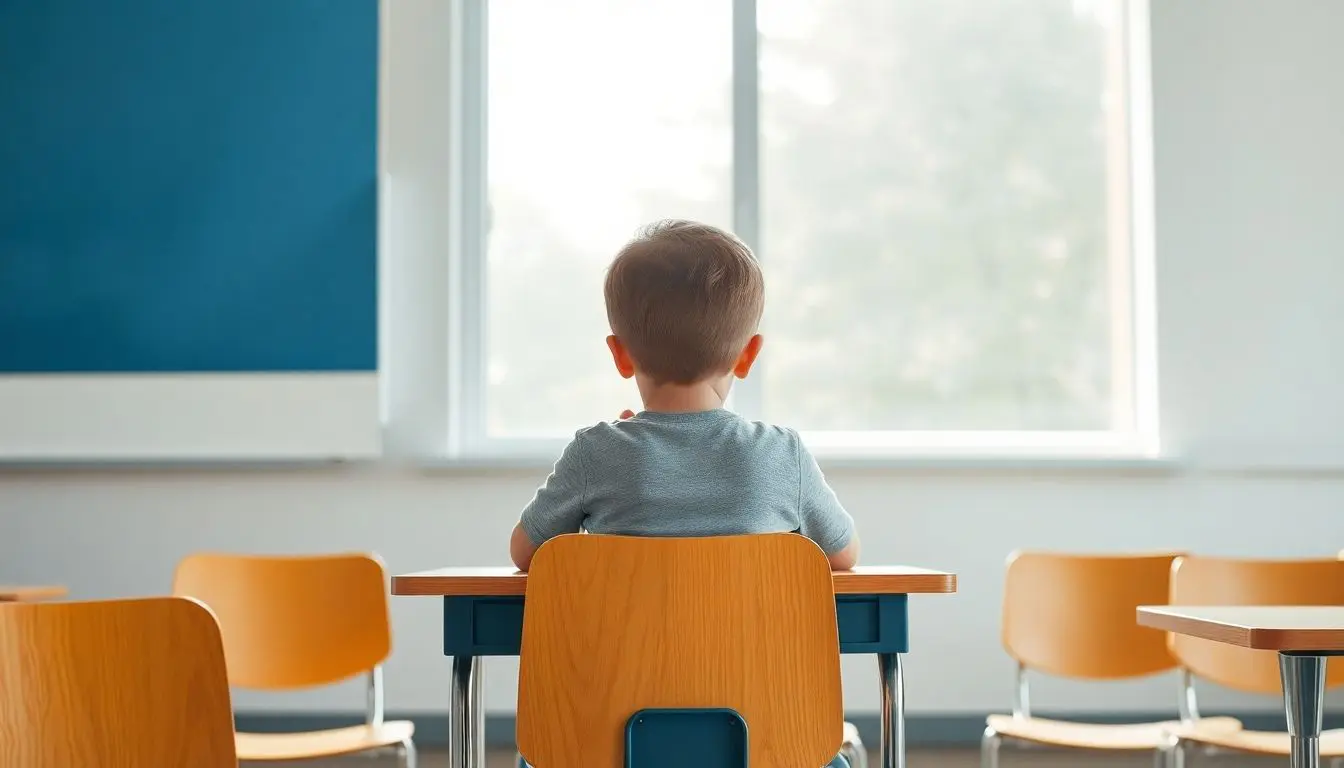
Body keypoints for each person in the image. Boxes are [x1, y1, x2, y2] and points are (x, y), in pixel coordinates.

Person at [508, 219, 859, 574]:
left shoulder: (596, 452)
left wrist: (617, 451)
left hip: (627, 633)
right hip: (746, 632)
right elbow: (844, 556)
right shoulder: (783, 454)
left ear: (620, 354)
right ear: (747, 354)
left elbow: (524, 552)